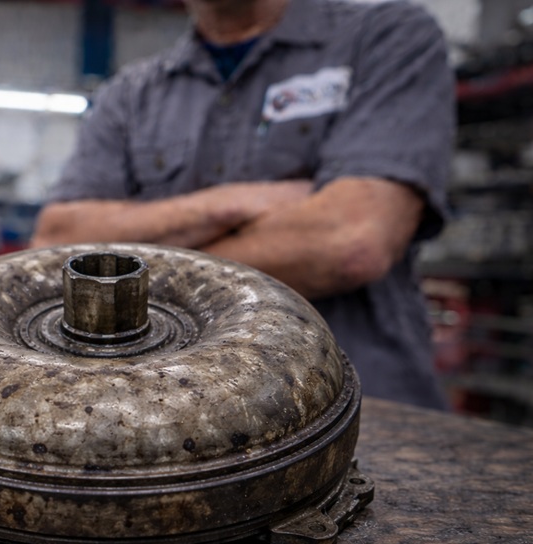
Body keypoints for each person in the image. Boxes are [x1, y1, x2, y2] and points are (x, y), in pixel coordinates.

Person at [31, 0, 454, 410]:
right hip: (181, 415)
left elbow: (351, 241)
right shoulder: (130, 95)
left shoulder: (384, 37)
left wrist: (129, 267)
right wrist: (235, 203)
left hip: (362, 404)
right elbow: (55, 244)